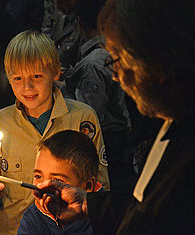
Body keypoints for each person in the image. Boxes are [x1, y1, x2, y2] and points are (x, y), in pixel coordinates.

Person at [36, 0, 195, 234]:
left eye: (118, 60)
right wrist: (87, 203)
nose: (115, 77)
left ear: (156, 60)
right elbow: (143, 196)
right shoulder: (172, 121)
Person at [0, 30, 109, 235]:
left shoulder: (83, 119)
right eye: (18, 78)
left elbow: (101, 189)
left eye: (36, 76)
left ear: (56, 72)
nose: (27, 87)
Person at [61, 0, 133, 194]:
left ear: (79, 24)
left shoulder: (93, 64)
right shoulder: (105, 55)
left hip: (109, 141)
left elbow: (89, 113)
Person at [18, 130, 102, 235]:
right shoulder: (32, 218)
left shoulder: (105, 218)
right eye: (38, 176)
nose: (42, 186)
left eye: (57, 180)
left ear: (88, 186)